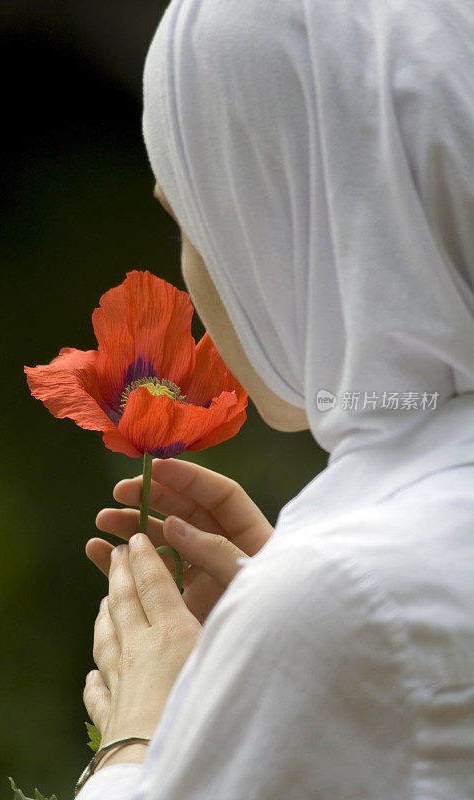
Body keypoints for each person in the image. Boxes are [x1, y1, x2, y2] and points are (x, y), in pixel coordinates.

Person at [77, 0, 474, 797]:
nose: (195, 267)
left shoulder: (347, 593)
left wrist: (139, 738)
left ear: (299, 213)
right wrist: (280, 629)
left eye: (194, 218)